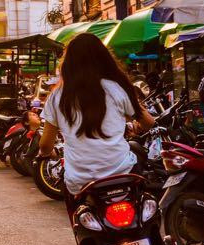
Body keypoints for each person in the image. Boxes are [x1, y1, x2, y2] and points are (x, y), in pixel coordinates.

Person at [37, 32, 154, 203]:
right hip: (121, 173)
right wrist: (136, 124)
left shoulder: (57, 97)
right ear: (104, 59)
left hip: (79, 182)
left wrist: (48, 153)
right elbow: (149, 122)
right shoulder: (117, 89)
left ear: (68, 63)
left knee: (78, 215)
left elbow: (45, 144)